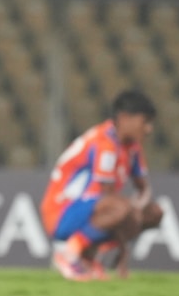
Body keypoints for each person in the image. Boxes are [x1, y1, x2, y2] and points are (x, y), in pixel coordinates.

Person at [40, 89, 164, 281]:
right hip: (62, 212)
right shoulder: (104, 143)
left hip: (90, 208)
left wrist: (137, 211)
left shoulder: (132, 147)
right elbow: (106, 195)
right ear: (124, 118)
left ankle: (87, 257)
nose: (148, 129)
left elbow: (144, 188)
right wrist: (124, 246)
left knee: (153, 213)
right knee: (121, 208)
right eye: (144, 121)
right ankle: (70, 252)